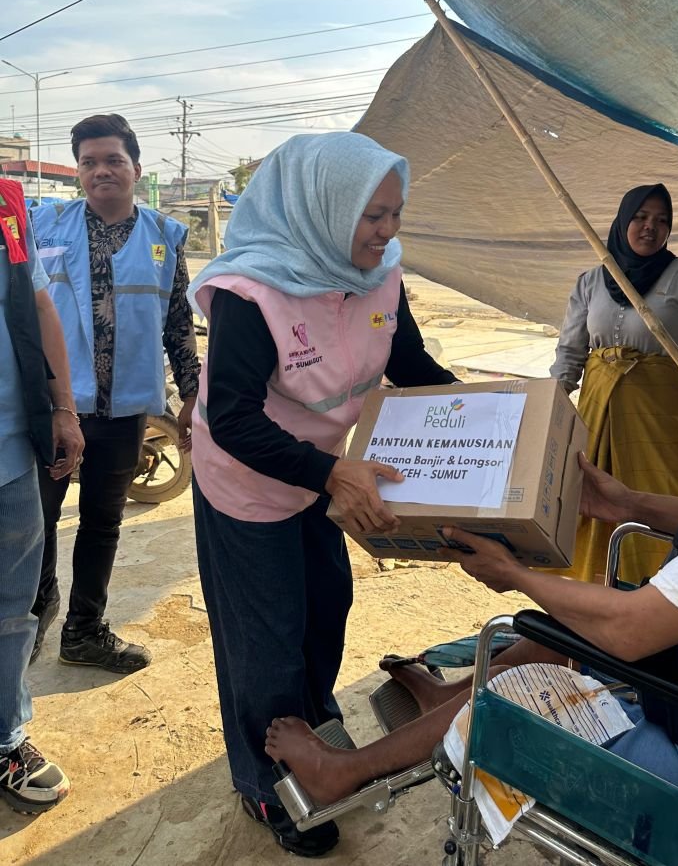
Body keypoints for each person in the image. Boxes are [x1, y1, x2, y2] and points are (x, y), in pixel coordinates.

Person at [264, 234, 678, 836]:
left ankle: (352, 769)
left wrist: (516, 575)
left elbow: (629, 629)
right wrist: (625, 501)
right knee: (568, 625)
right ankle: (445, 705)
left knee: (525, 676)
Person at [189, 132, 456, 857]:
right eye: (373, 215)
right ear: (324, 208)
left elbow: (410, 361)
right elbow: (233, 416)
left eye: (396, 213)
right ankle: (270, 781)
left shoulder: (379, 274)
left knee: (326, 604)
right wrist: (332, 472)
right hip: (247, 479)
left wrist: (504, 419)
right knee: (265, 635)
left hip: (321, 473)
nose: (388, 230)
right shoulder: (255, 289)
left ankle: (309, 719)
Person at [29, 114, 200, 672]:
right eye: (89, 162)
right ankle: (32, 622)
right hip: (59, 408)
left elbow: (178, 324)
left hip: (125, 410)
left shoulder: (165, 236)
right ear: (78, 171)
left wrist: (193, 395)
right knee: (39, 522)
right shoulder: (44, 226)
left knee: (103, 522)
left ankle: (84, 631)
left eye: (113, 160)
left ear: (136, 169)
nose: (101, 170)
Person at [550, 183, 678, 583]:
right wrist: (551, 409)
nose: (651, 227)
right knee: (593, 501)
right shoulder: (592, 280)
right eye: (642, 217)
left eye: (662, 221)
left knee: (666, 505)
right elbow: (570, 354)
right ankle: (594, 598)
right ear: (623, 221)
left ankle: (661, 597)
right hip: (597, 416)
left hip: (665, 423)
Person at [0, 177, 83, 813]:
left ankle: (4, 738)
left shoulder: (6, 206)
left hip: (9, 448)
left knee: (11, 606)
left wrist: (63, 408)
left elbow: (39, 309)